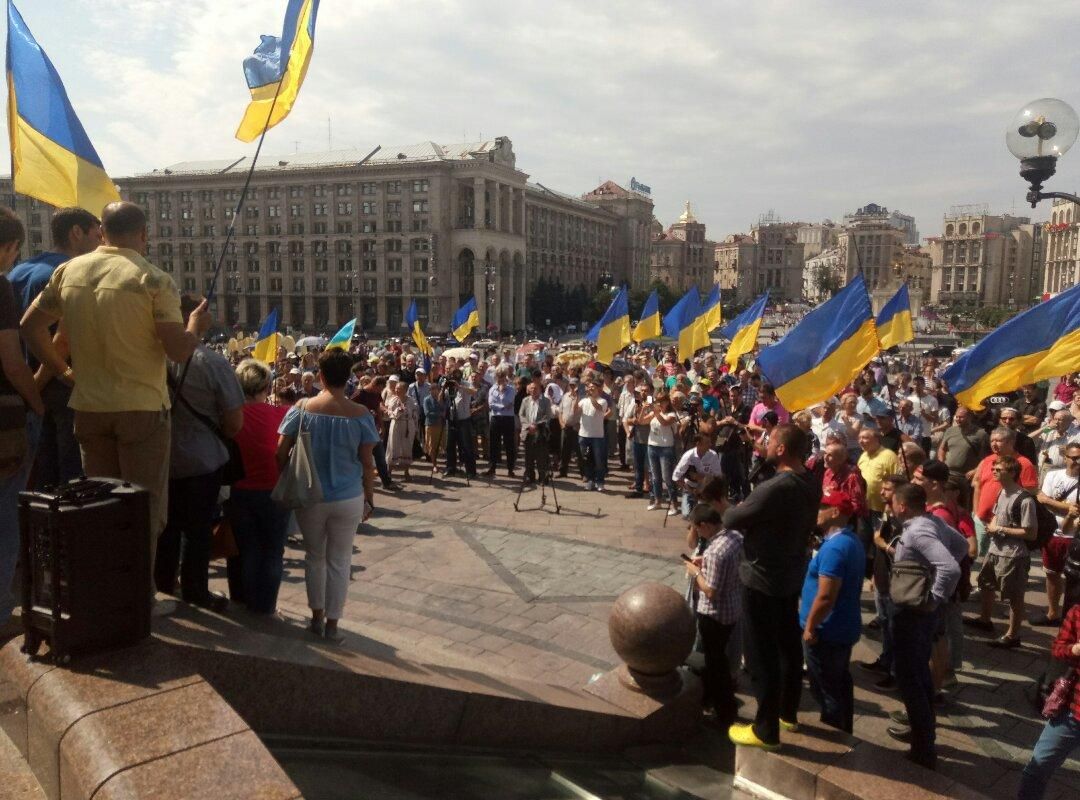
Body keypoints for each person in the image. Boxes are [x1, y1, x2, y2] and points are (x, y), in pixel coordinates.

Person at [21, 201, 209, 611]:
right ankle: (138, 597)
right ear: (144, 235)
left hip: (89, 407)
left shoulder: (69, 271)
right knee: (143, 507)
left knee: (99, 503)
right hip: (141, 410)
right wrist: (195, 325)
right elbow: (178, 352)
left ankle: (103, 590)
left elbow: (30, 327)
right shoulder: (152, 278)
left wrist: (63, 370)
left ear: (102, 233)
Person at [724, 424, 821, 750]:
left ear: (781, 449)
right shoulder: (809, 480)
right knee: (788, 646)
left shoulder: (777, 486)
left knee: (760, 654)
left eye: (770, 440)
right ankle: (787, 713)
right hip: (789, 573)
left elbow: (732, 519)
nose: (763, 442)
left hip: (762, 577)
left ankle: (765, 730)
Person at [276, 349, 378, 643]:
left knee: (314, 557)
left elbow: (280, 451)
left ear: (319, 376)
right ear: (348, 378)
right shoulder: (360, 414)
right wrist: (369, 497)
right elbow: (367, 462)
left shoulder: (303, 407)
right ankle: (333, 625)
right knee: (340, 560)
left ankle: (316, 618)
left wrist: (288, 477)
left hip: (311, 495)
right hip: (348, 497)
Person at [155, 296, 245, 611]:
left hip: (160, 457)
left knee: (164, 526)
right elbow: (234, 422)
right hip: (202, 460)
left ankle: (162, 585)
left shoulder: (150, 357)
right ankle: (195, 591)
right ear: (199, 319)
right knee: (198, 529)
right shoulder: (213, 362)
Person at [7, 207, 101, 489]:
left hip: (21, 387)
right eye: (97, 235)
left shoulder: (18, 271)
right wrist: (39, 385)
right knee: (71, 479)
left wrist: (27, 388)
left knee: (38, 476)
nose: (100, 244)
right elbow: (63, 340)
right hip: (60, 388)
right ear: (76, 233)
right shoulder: (70, 274)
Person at [886, 483, 964, 770]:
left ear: (902, 505)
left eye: (893, 501)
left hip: (914, 611)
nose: (891, 505)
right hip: (919, 610)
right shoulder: (930, 521)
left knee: (911, 677)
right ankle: (921, 731)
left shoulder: (919, 530)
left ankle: (923, 746)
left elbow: (951, 566)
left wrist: (935, 597)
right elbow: (961, 546)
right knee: (918, 673)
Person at [0, 209, 45, 627]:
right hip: (4, 424)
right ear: (9, 246)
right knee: (4, 519)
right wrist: (37, 401)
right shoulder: (0, 288)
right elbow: (12, 361)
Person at [227, 359, 290, 615]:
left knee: (246, 548)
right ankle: (265, 608)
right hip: (274, 491)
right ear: (266, 386)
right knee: (273, 550)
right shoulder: (281, 414)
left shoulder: (229, 416)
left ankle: (244, 601)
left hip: (239, 491)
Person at [800, 490, 866, 733]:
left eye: (822, 506)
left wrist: (810, 626)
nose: (817, 511)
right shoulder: (848, 541)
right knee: (839, 681)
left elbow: (827, 595)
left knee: (825, 687)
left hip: (826, 631)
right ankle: (843, 728)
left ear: (836, 512)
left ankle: (834, 731)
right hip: (841, 628)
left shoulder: (835, 548)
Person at [967, 454, 1038, 648]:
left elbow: (1030, 533)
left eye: (999, 470)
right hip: (995, 550)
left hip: (1013, 555)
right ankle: (985, 619)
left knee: (1014, 596)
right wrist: (992, 525)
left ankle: (1012, 635)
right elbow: (997, 515)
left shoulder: (1024, 500)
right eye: (994, 468)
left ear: (1012, 472)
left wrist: (1000, 529)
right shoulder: (1002, 492)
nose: (994, 472)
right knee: (987, 585)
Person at [685, 502, 743, 730]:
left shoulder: (717, 551)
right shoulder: (736, 537)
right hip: (733, 607)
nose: (699, 535)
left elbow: (711, 591)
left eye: (699, 529)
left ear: (707, 525)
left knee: (715, 661)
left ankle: (724, 710)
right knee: (717, 660)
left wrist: (696, 571)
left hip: (715, 614)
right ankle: (709, 698)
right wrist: (705, 562)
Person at [1016, 602, 1080, 800]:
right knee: (1037, 767)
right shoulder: (1077, 612)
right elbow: (1059, 648)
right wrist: (1075, 650)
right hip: (1072, 710)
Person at [1033, 442, 1080, 628]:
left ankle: (1071, 617)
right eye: (1073, 457)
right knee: (1052, 574)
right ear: (1066, 457)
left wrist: (1052, 502)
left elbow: (1047, 500)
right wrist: (1068, 507)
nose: (1077, 461)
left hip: (1075, 538)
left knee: (1074, 580)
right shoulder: (1053, 475)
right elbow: (1042, 499)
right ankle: (1053, 613)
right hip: (1053, 533)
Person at [972, 427, 1039, 556]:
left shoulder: (1024, 463)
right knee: (980, 560)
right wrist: (976, 512)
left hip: (1006, 525)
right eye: (992, 441)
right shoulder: (988, 460)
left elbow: (1031, 492)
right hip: (982, 519)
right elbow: (978, 486)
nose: (993, 444)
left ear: (1010, 442)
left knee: (1002, 560)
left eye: (998, 440)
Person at [937, 405, 989, 507]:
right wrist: (941, 462)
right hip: (949, 475)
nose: (958, 419)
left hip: (966, 477)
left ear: (969, 417)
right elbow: (942, 448)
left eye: (961, 417)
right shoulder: (950, 431)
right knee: (947, 503)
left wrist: (975, 470)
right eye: (956, 417)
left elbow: (985, 457)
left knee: (965, 505)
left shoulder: (981, 434)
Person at [673, 421, 723, 518]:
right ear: (698, 444)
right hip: (690, 487)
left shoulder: (713, 455)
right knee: (687, 515)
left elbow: (718, 476)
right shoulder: (688, 456)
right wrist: (687, 488)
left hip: (705, 488)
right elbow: (676, 476)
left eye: (710, 442)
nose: (710, 444)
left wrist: (703, 479)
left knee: (703, 514)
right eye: (707, 443)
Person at [643, 391, 678, 512]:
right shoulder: (654, 413)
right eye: (657, 401)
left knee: (667, 477)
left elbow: (664, 423)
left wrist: (656, 412)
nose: (658, 403)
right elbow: (641, 421)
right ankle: (657, 501)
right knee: (655, 476)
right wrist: (643, 409)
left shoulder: (672, 414)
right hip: (652, 446)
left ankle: (674, 504)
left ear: (667, 402)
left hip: (666, 447)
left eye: (661, 401)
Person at [577, 379, 610, 492]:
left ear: (598, 389)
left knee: (599, 460)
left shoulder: (603, 401)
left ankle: (600, 482)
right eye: (589, 387)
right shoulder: (583, 400)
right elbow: (576, 411)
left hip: (597, 435)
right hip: (584, 435)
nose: (590, 389)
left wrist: (590, 396)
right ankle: (590, 480)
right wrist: (575, 396)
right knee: (586, 459)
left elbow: (598, 408)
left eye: (593, 388)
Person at [385, 379, 418, 482]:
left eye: (399, 389)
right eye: (396, 388)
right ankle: (389, 472)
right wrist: (398, 411)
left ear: (405, 390)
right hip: (396, 424)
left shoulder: (411, 400)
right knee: (393, 446)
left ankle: (406, 472)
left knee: (407, 447)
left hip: (408, 425)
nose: (396, 390)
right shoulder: (393, 400)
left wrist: (415, 425)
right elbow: (389, 413)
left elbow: (415, 414)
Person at [487, 369, 517, 477]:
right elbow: (491, 404)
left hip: (508, 419)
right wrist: (503, 407)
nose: (500, 380)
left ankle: (510, 469)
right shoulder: (491, 389)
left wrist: (501, 392)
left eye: (503, 378)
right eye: (499, 378)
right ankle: (492, 467)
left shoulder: (511, 389)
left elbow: (508, 402)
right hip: (495, 418)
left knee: (509, 444)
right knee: (494, 444)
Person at [422, 381, 447, 468]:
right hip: (431, 425)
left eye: (436, 389)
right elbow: (427, 413)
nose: (434, 391)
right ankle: (434, 464)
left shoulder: (442, 399)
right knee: (432, 445)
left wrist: (441, 403)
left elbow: (445, 409)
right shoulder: (427, 400)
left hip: (441, 425)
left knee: (443, 444)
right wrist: (440, 414)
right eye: (431, 390)